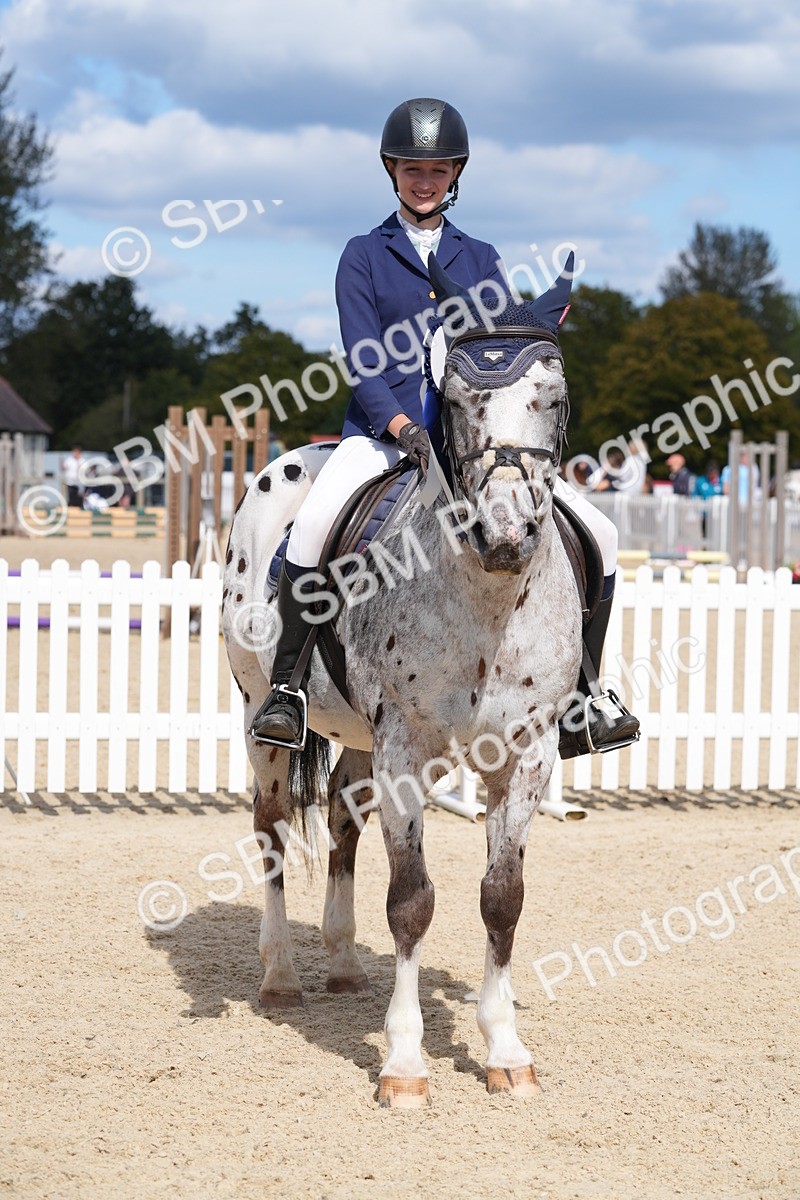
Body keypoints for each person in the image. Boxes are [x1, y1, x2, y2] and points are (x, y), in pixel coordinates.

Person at [250, 98, 639, 758]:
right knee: (312, 529)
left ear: (454, 173)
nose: (423, 180)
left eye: (435, 169)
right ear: (392, 172)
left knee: (597, 530)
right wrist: (401, 427)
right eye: (411, 168)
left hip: (473, 447)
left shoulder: (480, 255)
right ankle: (287, 689)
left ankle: (583, 695)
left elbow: (502, 351)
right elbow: (363, 356)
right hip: (381, 438)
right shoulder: (363, 255)